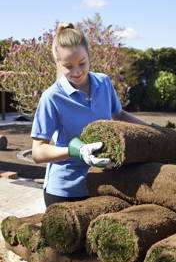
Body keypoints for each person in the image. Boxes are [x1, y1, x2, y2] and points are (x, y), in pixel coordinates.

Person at [31, 22, 148, 207]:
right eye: (68, 66)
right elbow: (38, 152)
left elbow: (120, 115)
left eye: (82, 63)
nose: (77, 72)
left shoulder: (103, 82)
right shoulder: (52, 97)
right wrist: (75, 151)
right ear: (58, 63)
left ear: (89, 56)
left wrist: (152, 130)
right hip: (66, 191)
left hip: (102, 185)